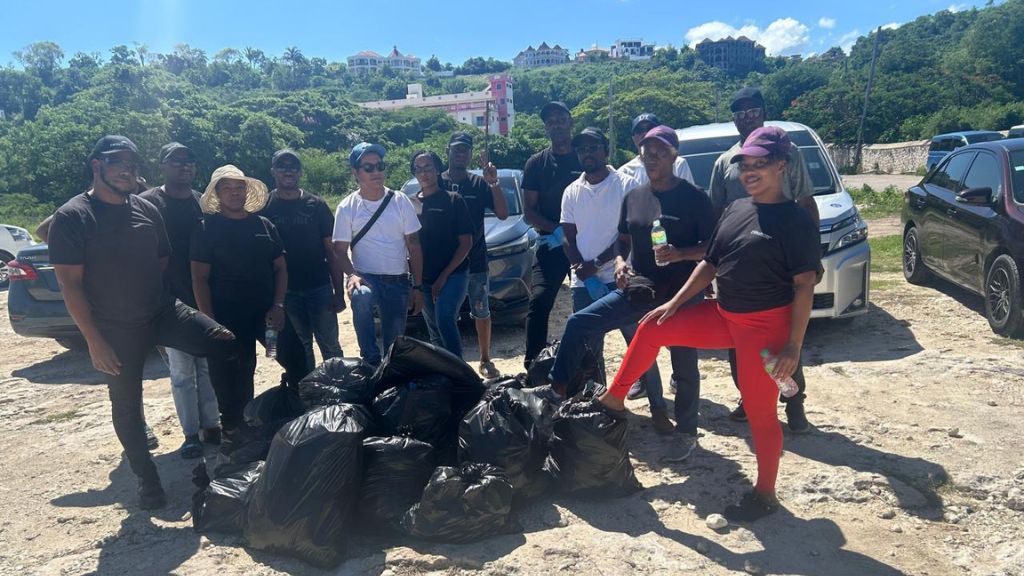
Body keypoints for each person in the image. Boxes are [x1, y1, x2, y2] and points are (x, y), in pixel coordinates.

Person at [600, 126, 821, 521]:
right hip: (724, 315)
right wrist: (674, 304)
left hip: (763, 329)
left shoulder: (795, 220)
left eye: (760, 164)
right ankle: (613, 402)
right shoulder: (737, 209)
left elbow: (805, 285)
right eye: (745, 165)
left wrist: (793, 346)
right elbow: (709, 263)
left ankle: (765, 494)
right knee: (653, 327)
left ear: (781, 165)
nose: (749, 171)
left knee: (760, 414)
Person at [49, 135, 234, 510]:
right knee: (126, 405)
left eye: (133, 164)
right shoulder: (73, 216)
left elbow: (161, 261)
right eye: (118, 162)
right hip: (115, 328)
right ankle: (147, 480)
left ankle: (232, 438)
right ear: (97, 165)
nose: (127, 170)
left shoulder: (146, 210)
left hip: (161, 311)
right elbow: (70, 285)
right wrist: (94, 340)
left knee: (224, 344)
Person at [555, 126, 715, 459]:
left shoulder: (695, 197)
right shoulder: (635, 196)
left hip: (683, 294)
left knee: (683, 362)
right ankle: (555, 394)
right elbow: (624, 241)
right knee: (579, 323)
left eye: (659, 153)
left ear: (673, 156)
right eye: (646, 153)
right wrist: (618, 264)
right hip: (642, 288)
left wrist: (681, 254)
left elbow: (713, 248)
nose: (652, 158)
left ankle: (686, 432)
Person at [709, 87, 818, 433]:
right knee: (738, 342)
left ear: (763, 112)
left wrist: (811, 254)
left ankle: (794, 404)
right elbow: (717, 215)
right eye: (740, 113)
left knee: (781, 339)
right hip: (738, 267)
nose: (747, 118)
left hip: (779, 259)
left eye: (753, 111)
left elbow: (806, 202)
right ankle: (748, 396)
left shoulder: (788, 153)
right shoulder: (725, 162)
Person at [139, 142, 220, 459]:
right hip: (168, 302)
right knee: (182, 373)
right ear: (162, 165)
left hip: (204, 296)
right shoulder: (148, 203)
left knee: (207, 367)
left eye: (189, 161)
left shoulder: (203, 202)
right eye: (176, 161)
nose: (184, 166)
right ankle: (190, 435)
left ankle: (211, 425)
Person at [191, 165, 287, 433]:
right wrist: (210, 322)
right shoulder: (206, 229)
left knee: (290, 356)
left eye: (239, 187)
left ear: (247, 191)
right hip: (227, 318)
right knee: (235, 373)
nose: (234, 193)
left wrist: (279, 305)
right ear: (217, 193)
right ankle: (234, 430)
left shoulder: (263, 225)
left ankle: (291, 410)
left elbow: (280, 268)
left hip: (267, 316)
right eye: (227, 188)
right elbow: (199, 278)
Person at [333, 142, 424, 366]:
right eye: (368, 167)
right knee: (361, 296)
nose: (376, 172)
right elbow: (339, 251)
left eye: (380, 166)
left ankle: (388, 374)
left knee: (394, 349)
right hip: (366, 278)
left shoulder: (400, 201)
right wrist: (351, 275)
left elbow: (414, 247)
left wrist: (418, 286)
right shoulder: (347, 207)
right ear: (356, 173)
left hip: (397, 280)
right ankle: (370, 359)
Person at [261, 149, 345, 375]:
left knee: (330, 345)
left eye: (293, 166)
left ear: (300, 172)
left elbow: (331, 252)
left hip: (319, 287)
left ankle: (340, 387)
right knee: (301, 347)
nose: (288, 171)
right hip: (285, 293)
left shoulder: (317, 205)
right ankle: (308, 391)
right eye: (282, 166)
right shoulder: (264, 207)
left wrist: (338, 292)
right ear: (273, 171)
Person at [442, 132, 509, 377]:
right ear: (448, 150)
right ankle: (450, 362)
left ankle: (485, 359)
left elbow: (503, 214)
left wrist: (494, 183)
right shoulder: (437, 182)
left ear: (470, 154)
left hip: (475, 261)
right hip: (444, 264)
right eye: (457, 149)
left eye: (465, 150)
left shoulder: (479, 183)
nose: (461, 153)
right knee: (445, 314)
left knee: (481, 310)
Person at [522, 101, 583, 368]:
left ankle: (588, 369)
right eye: (550, 121)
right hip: (552, 243)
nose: (556, 124)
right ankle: (532, 366)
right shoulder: (536, 163)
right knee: (539, 302)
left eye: (560, 119)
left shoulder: (585, 156)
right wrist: (557, 229)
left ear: (570, 122)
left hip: (584, 243)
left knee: (588, 306)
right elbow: (529, 212)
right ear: (546, 128)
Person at [410, 150, 474, 357]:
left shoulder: (453, 200)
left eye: (428, 167)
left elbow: (466, 243)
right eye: (418, 169)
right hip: (424, 278)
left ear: (437, 170)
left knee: (444, 317)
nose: (424, 173)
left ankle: (459, 370)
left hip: (454, 273)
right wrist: (416, 282)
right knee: (435, 332)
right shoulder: (409, 204)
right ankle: (443, 372)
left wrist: (444, 276)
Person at [618, 112, 695, 188]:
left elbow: (689, 194)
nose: (645, 133)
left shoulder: (678, 164)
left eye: (650, 128)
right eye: (639, 130)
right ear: (633, 138)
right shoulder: (624, 173)